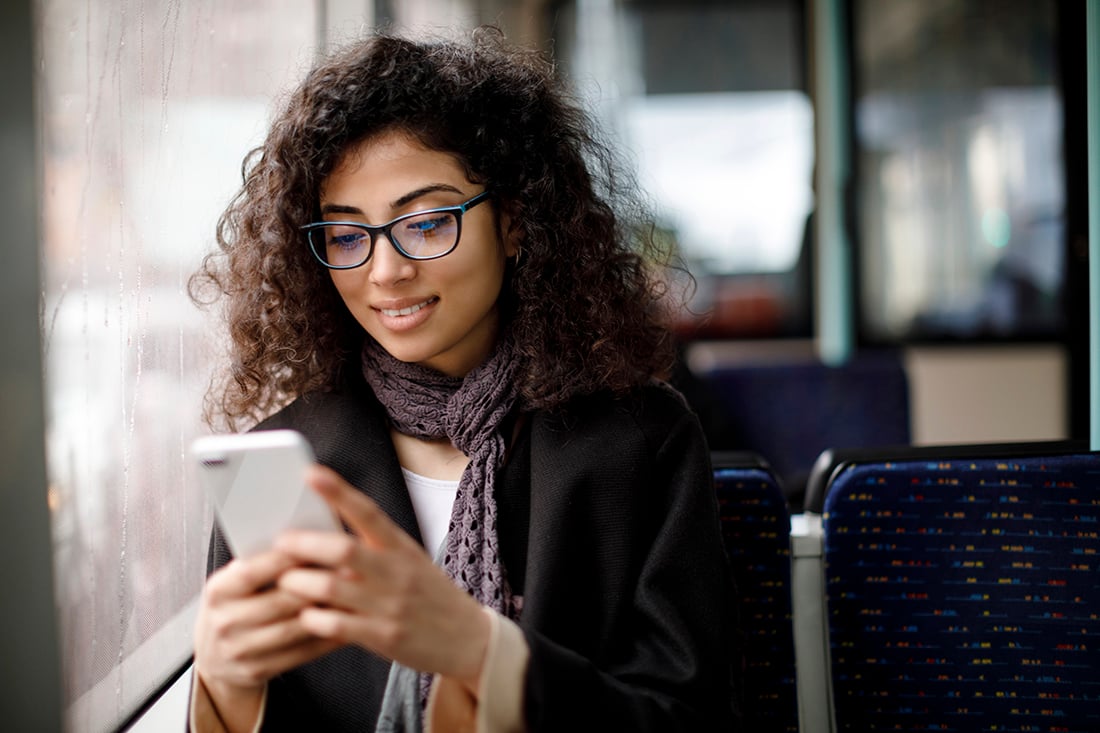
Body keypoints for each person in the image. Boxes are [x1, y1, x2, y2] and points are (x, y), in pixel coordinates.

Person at [187, 27, 739, 733]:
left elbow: (690, 717)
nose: (385, 271)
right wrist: (227, 691)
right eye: (347, 235)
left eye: (425, 222)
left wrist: (482, 653)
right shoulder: (282, 459)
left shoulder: (641, 442)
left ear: (514, 221)